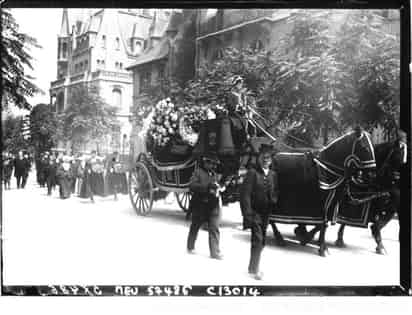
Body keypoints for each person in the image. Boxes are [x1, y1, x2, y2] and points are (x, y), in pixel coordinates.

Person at [240, 143, 279, 280]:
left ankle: (252, 267)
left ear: (271, 160)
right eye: (263, 157)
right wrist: (247, 214)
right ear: (259, 158)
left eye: (268, 158)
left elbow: (275, 191)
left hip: (266, 213)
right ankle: (256, 270)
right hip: (255, 212)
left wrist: (273, 199)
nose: (265, 160)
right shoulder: (252, 173)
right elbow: (245, 195)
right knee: (257, 239)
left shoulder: (273, 175)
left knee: (262, 241)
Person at [187, 152, 224, 260]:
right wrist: (207, 187)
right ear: (205, 163)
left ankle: (215, 252)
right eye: (211, 163)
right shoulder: (198, 172)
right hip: (200, 205)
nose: (213, 166)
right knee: (195, 226)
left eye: (214, 164)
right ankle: (190, 246)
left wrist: (221, 187)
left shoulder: (214, 175)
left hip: (213, 205)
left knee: (214, 228)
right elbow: (192, 185)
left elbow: (218, 186)